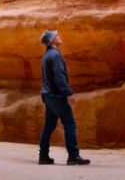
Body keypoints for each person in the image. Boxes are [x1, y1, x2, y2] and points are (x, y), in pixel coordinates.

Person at [37, 29, 90, 166]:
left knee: (49, 126)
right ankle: (73, 156)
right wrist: (68, 93)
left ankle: (43, 156)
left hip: (48, 95)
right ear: (52, 41)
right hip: (56, 96)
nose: (59, 36)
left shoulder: (47, 55)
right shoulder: (55, 55)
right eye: (56, 36)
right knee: (70, 124)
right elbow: (59, 77)